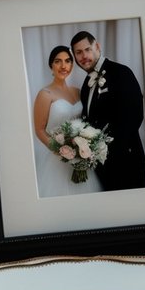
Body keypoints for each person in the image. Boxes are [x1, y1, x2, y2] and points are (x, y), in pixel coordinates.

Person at [71, 30, 145, 191]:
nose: (84, 56)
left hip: (126, 163)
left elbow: (135, 115)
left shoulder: (121, 72)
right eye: (78, 52)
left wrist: (108, 149)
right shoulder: (86, 85)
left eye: (87, 49)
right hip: (101, 167)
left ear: (97, 47)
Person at [32, 45, 101, 197]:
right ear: (51, 65)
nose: (64, 66)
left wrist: (83, 148)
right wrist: (62, 151)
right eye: (58, 61)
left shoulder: (77, 91)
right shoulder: (45, 94)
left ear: (72, 64)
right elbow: (39, 129)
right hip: (58, 160)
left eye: (68, 61)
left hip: (82, 156)